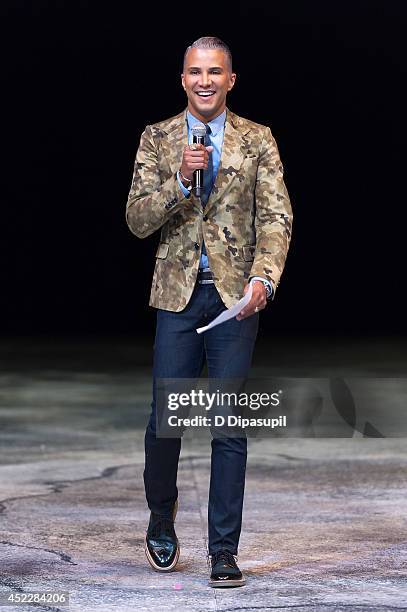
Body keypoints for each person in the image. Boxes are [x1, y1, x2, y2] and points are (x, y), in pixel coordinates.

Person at [125, 36, 293, 587]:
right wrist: (178, 180)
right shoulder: (158, 138)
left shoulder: (257, 140)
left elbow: (275, 216)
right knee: (166, 422)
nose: (205, 80)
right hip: (176, 297)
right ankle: (160, 517)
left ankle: (224, 550)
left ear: (230, 80)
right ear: (182, 79)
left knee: (228, 427)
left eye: (214, 72)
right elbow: (137, 219)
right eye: (195, 72)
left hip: (232, 299)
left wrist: (264, 277)